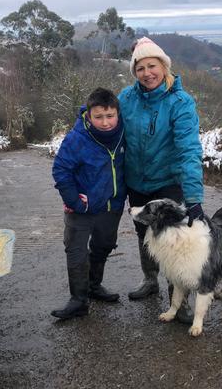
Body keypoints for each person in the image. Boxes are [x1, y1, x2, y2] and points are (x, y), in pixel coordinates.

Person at [118, 36, 205, 323]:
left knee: (173, 240)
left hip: (168, 181)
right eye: (140, 68)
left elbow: (189, 149)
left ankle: (178, 301)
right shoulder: (126, 99)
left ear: (164, 66)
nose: (147, 73)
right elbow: (107, 129)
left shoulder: (180, 102)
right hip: (137, 182)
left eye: (152, 65)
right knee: (145, 234)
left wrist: (193, 198)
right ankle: (149, 280)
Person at [51, 88, 126, 319]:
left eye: (110, 116)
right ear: (89, 116)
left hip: (112, 205)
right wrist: (74, 201)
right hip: (81, 208)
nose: (105, 122)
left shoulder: (124, 132)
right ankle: (78, 300)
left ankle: (94, 286)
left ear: (117, 114)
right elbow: (61, 169)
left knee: (103, 245)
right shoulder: (77, 138)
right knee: (76, 251)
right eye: (98, 117)